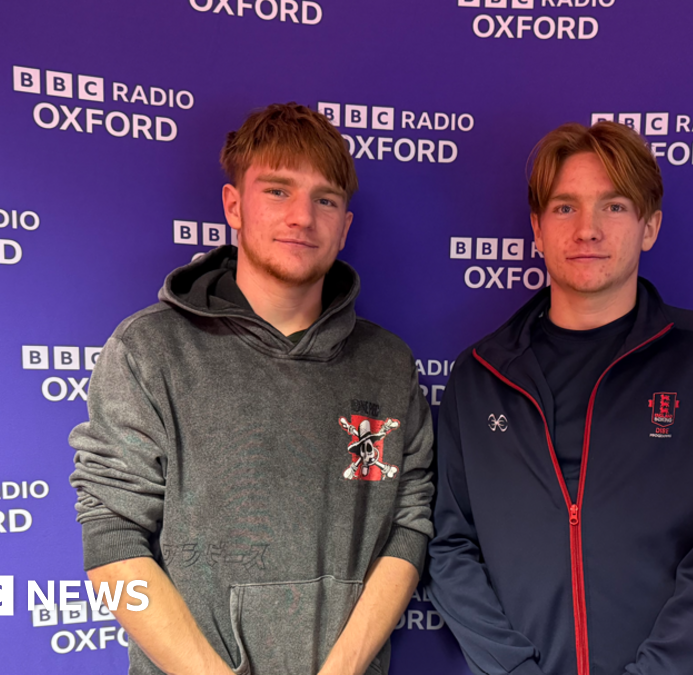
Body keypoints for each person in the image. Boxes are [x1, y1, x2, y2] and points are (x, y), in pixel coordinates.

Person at [69, 103, 434, 675]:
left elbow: (409, 523)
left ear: (345, 226)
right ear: (233, 206)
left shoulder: (388, 364)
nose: (302, 218)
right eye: (278, 191)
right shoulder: (149, 350)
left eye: (325, 200)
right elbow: (109, 546)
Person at [427, 121, 693, 675]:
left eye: (613, 207)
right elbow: (450, 548)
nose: (587, 229)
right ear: (537, 230)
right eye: (565, 208)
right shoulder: (479, 376)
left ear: (650, 226)